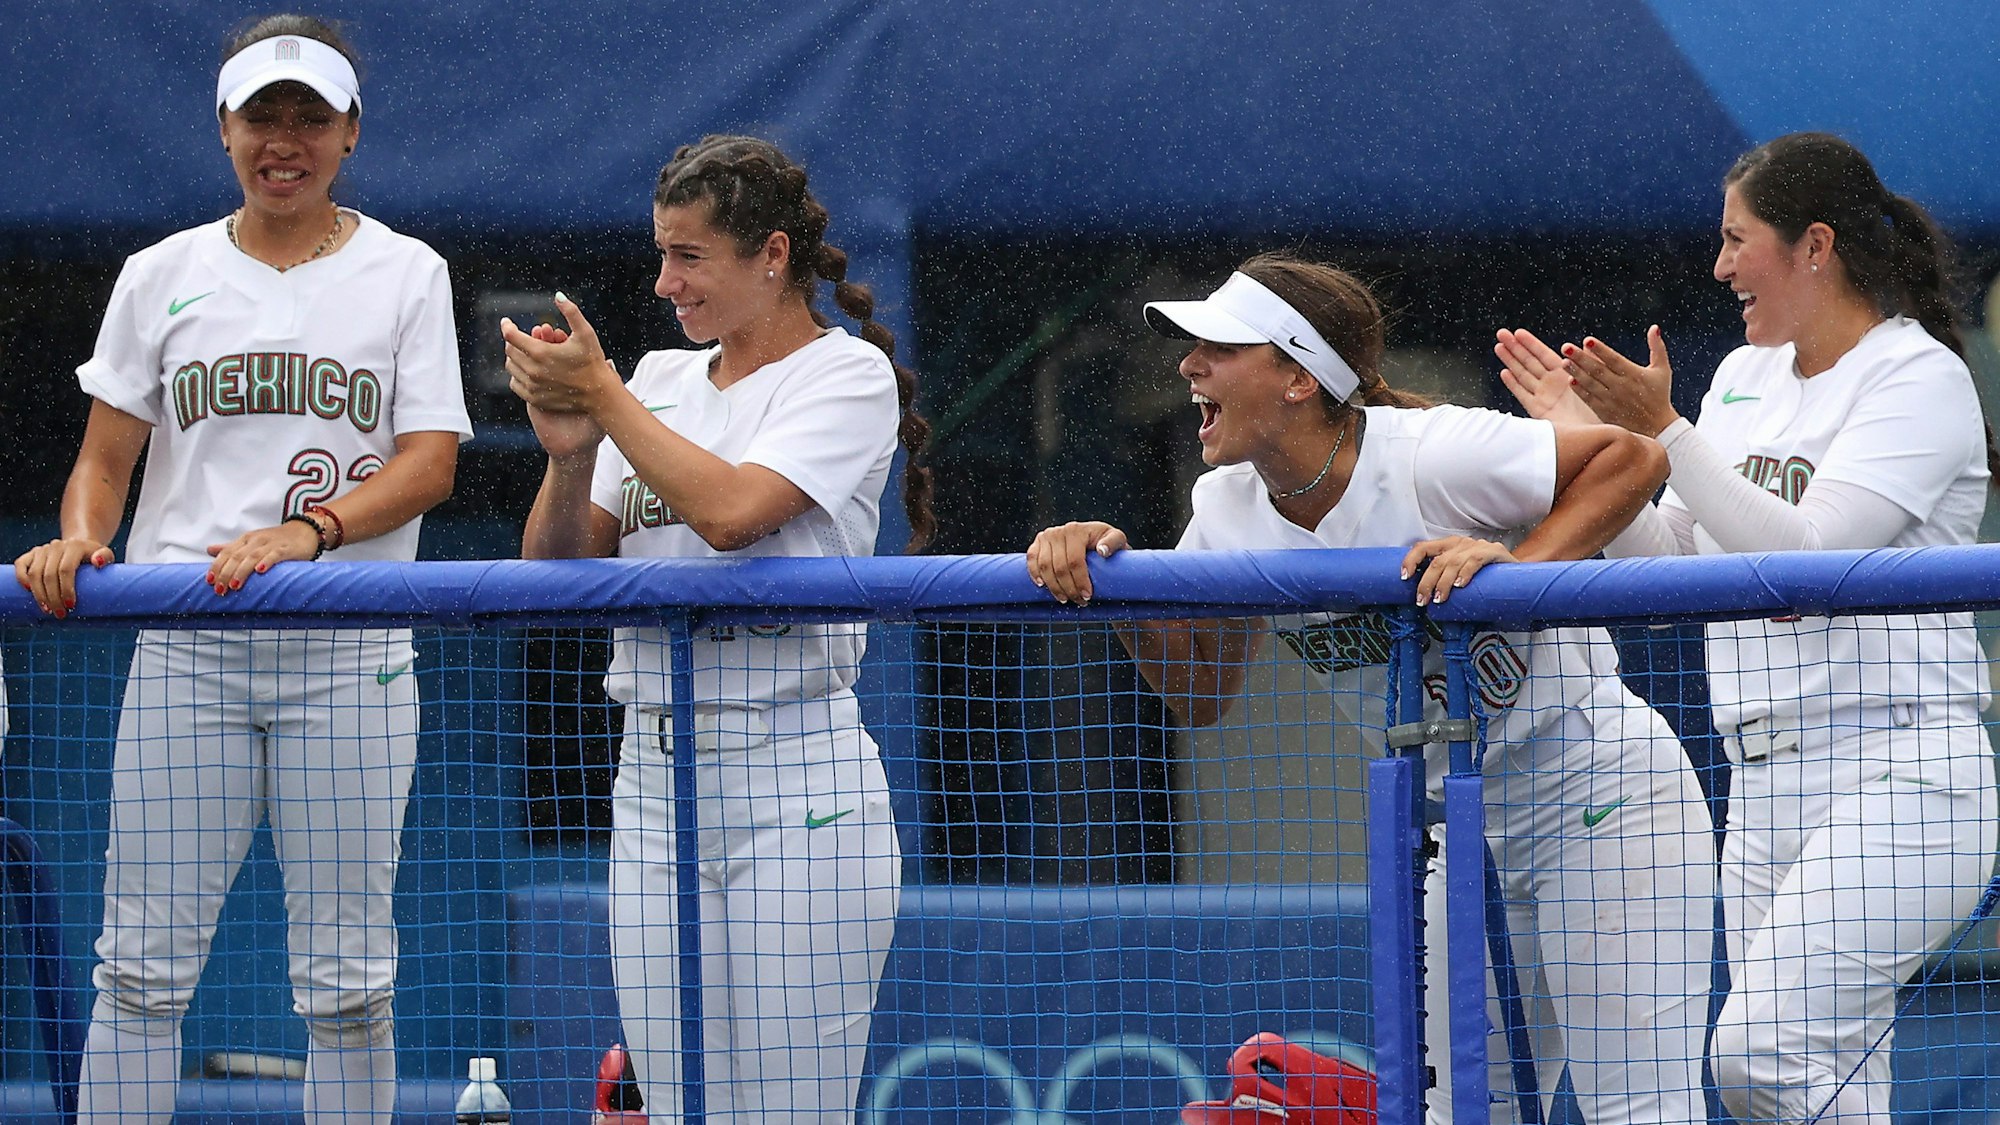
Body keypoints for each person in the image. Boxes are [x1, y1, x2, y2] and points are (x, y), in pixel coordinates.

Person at [1026, 253, 1717, 1125]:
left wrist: (1512, 569)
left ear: (1296, 378)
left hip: (1602, 795)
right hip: (1457, 830)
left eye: (1219, 347)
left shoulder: (1431, 455)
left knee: (1640, 1111)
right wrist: (1112, 588)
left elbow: (1632, 455)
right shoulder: (1225, 507)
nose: (1189, 365)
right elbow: (1203, 694)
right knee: (1466, 1115)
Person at [11, 14, 469, 1125]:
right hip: (188, 651)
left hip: (347, 652)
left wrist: (306, 531)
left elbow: (430, 465)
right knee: (140, 968)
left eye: (310, 116)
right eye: (262, 114)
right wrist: (80, 532)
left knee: (349, 980)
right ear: (222, 127)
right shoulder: (159, 272)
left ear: (351, 132)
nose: (285, 139)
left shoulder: (406, 271)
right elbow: (103, 461)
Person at [1496, 131, 2000, 1125]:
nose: (1719, 265)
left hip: (1901, 774)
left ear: (1813, 245)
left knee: (1758, 1059)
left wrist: (1666, 434)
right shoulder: (1739, 376)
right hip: (1759, 786)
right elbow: (1673, 572)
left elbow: (1807, 564)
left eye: (1737, 239)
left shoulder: (1917, 376)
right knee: (1825, 1085)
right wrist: (1582, 452)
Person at [508, 134, 931, 1122]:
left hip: (796, 777)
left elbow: (732, 514)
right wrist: (572, 456)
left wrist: (603, 396)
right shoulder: (656, 381)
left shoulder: (845, 376)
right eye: (661, 255)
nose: (664, 283)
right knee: (678, 1106)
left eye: (688, 257)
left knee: (788, 1111)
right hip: (651, 779)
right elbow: (554, 579)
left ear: (770, 255)